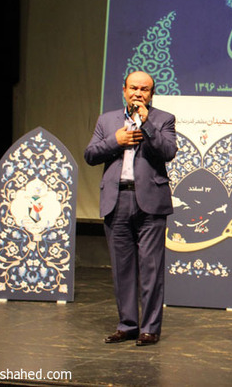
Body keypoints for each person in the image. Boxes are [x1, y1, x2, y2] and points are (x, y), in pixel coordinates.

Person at [84, 71, 177, 346]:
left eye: (144, 89)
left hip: (150, 202)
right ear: (124, 90)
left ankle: (150, 328)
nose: (138, 93)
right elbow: (90, 155)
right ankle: (127, 325)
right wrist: (116, 141)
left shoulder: (163, 119)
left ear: (151, 94)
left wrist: (146, 125)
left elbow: (168, 152)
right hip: (117, 200)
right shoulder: (107, 120)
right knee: (121, 268)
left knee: (151, 268)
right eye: (134, 88)